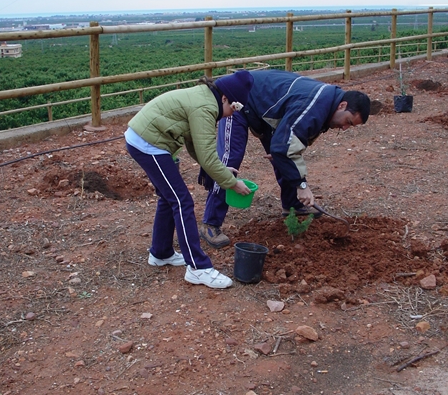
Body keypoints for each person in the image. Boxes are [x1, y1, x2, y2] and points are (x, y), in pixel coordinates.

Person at [199, 68, 371, 248]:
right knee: (229, 160)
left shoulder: (328, 103)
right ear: (342, 106)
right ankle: (210, 223)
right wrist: (302, 185)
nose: (344, 128)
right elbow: (284, 148)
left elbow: (290, 146)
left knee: (283, 154)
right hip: (240, 101)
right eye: (348, 122)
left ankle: (292, 205)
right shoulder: (316, 106)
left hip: (267, 110)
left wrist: (284, 155)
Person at [125, 69, 254, 289]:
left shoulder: (205, 98)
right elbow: (206, 156)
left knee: (170, 198)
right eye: (234, 107)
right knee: (182, 201)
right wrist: (232, 183)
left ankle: (161, 253)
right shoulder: (205, 107)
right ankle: (198, 267)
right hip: (148, 143)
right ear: (224, 97)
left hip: (149, 140)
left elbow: (196, 146)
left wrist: (220, 169)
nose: (233, 113)